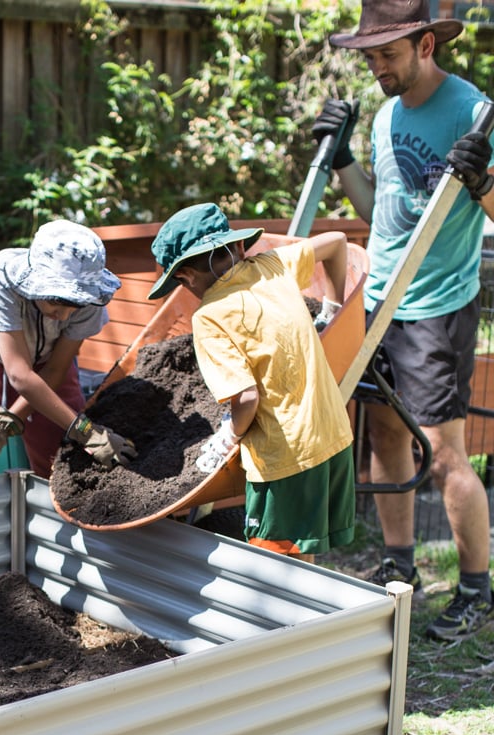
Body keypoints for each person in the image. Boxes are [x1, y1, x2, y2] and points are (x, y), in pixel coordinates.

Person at [313, 0, 494, 640]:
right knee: (383, 438)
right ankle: (400, 568)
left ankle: (476, 591)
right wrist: (340, 160)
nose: (377, 68)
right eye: (369, 57)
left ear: (425, 45)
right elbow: (381, 209)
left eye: (387, 54)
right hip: (379, 300)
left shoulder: (474, 112)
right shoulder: (387, 114)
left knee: (444, 456)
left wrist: (481, 181)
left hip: (437, 304)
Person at [147, 202, 355, 562]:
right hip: (333, 435)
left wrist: (227, 437)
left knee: (277, 566)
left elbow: (245, 397)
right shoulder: (272, 265)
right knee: (302, 556)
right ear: (240, 247)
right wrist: (332, 309)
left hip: (286, 457)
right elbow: (338, 242)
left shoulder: (210, 316)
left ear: (185, 277)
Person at [0, 220, 136, 485]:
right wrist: (87, 431)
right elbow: (20, 374)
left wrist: (5, 425)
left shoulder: (91, 298)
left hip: (49, 369)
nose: (64, 314)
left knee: (65, 463)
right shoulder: (0, 278)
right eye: (57, 300)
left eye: (75, 305)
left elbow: (55, 370)